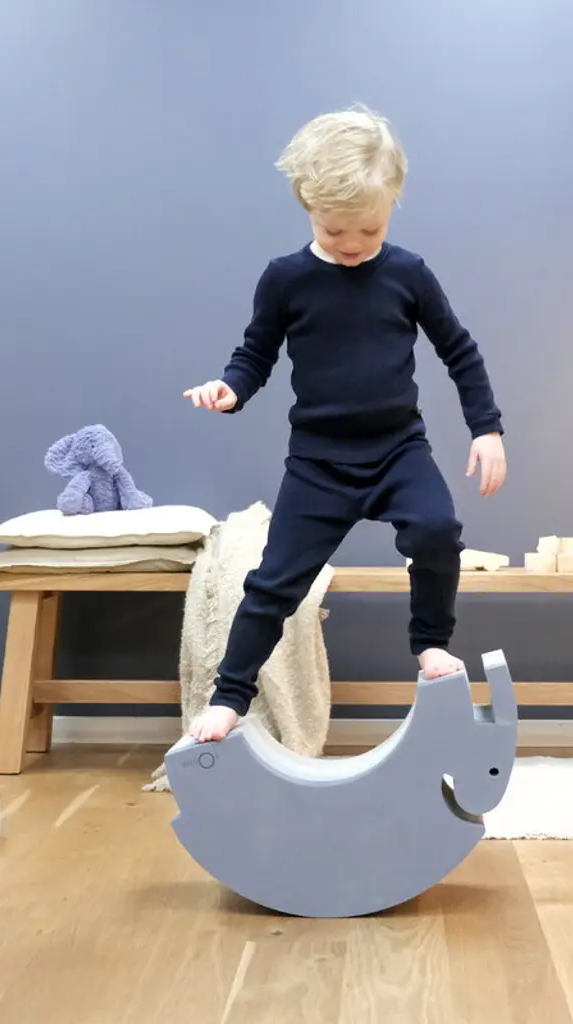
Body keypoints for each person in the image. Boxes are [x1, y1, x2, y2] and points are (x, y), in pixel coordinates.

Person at [182, 105, 507, 743]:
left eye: (370, 228)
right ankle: (229, 697)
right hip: (319, 462)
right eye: (335, 230)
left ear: (393, 205)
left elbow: (460, 351)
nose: (353, 244)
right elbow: (255, 354)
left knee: (437, 531)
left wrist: (487, 428)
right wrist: (231, 388)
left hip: (398, 450)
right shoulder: (286, 279)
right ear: (307, 205)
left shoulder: (408, 274)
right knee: (273, 584)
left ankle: (430, 642)